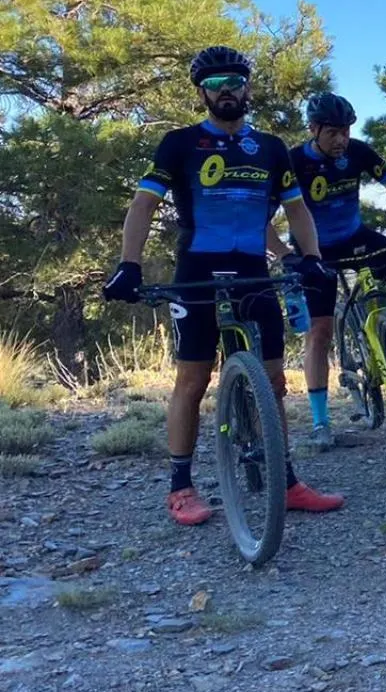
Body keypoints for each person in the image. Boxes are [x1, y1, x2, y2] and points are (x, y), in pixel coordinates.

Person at [101, 46, 344, 526]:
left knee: (274, 379)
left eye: (233, 80)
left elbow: (296, 209)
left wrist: (311, 258)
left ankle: (286, 479)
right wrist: (129, 264)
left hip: (255, 271)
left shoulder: (272, 148)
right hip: (197, 272)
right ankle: (180, 486)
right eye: (214, 84)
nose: (226, 90)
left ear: (248, 87)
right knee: (192, 380)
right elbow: (143, 206)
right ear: (202, 93)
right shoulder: (179, 143)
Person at [271, 92, 386, 450]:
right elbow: (261, 218)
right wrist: (286, 254)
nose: (341, 139)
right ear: (313, 129)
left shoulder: (357, 152)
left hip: (356, 236)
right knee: (319, 333)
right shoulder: (293, 161)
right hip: (315, 250)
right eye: (332, 132)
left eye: (345, 131)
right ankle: (320, 422)